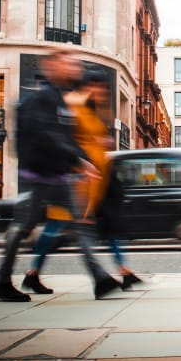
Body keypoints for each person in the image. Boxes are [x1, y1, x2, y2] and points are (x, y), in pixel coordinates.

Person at [0, 49, 121, 302]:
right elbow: (48, 135)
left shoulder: (61, 98)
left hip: (60, 175)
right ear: (52, 65)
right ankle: (3, 280)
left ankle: (100, 279)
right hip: (39, 175)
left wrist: (81, 160)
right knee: (23, 228)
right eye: (69, 63)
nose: (75, 67)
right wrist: (80, 161)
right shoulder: (43, 98)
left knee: (80, 226)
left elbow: (66, 137)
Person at [23, 70, 142, 293]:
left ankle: (34, 274)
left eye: (106, 90)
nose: (104, 93)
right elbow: (65, 141)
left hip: (93, 182)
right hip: (74, 181)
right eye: (101, 88)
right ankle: (103, 279)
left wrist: (102, 143)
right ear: (90, 86)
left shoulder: (90, 110)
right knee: (62, 228)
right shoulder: (73, 106)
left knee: (64, 228)